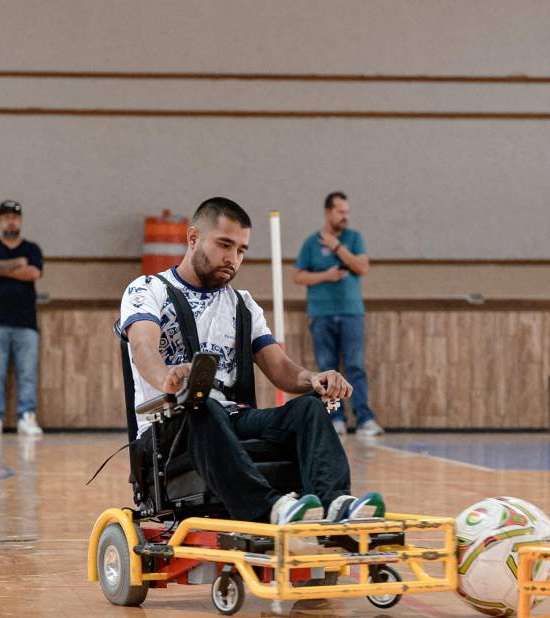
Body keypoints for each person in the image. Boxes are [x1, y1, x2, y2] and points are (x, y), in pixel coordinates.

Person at [120, 197, 378, 531]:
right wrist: (166, 376)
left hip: (230, 419)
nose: (233, 259)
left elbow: (280, 368)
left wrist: (314, 379)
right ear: (193, 237)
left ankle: (336, 504)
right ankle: (267, 509)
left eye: (241, 250)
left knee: (309, 410)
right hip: (169, 428)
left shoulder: (243, 305)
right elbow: (143, 348)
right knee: (202, 405)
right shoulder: (148, 289)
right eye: (224, 245)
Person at [294, 191, 384, 436]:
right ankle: (335, 418)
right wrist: (326, 276)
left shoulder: (354, 238)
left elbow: (362, 267)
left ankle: (364, 418)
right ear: (328, 212)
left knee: (355, 366)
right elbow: (298, 276)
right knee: (327, 368)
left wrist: (337, 247)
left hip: (351, 312)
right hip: (321, 313)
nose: (345, 216)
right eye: (340, 212)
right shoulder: (311, 243)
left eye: (347, 212)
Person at [0, 200, 44, 438]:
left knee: (27, 373)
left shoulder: (32, 249)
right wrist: (18, 264)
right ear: (0, 221)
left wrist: (1, 270)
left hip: (26, 323)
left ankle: (27, 417)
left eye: (14, 217)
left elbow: (33, 272)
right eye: (6, 217)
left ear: (20, 220)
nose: (10, 221)